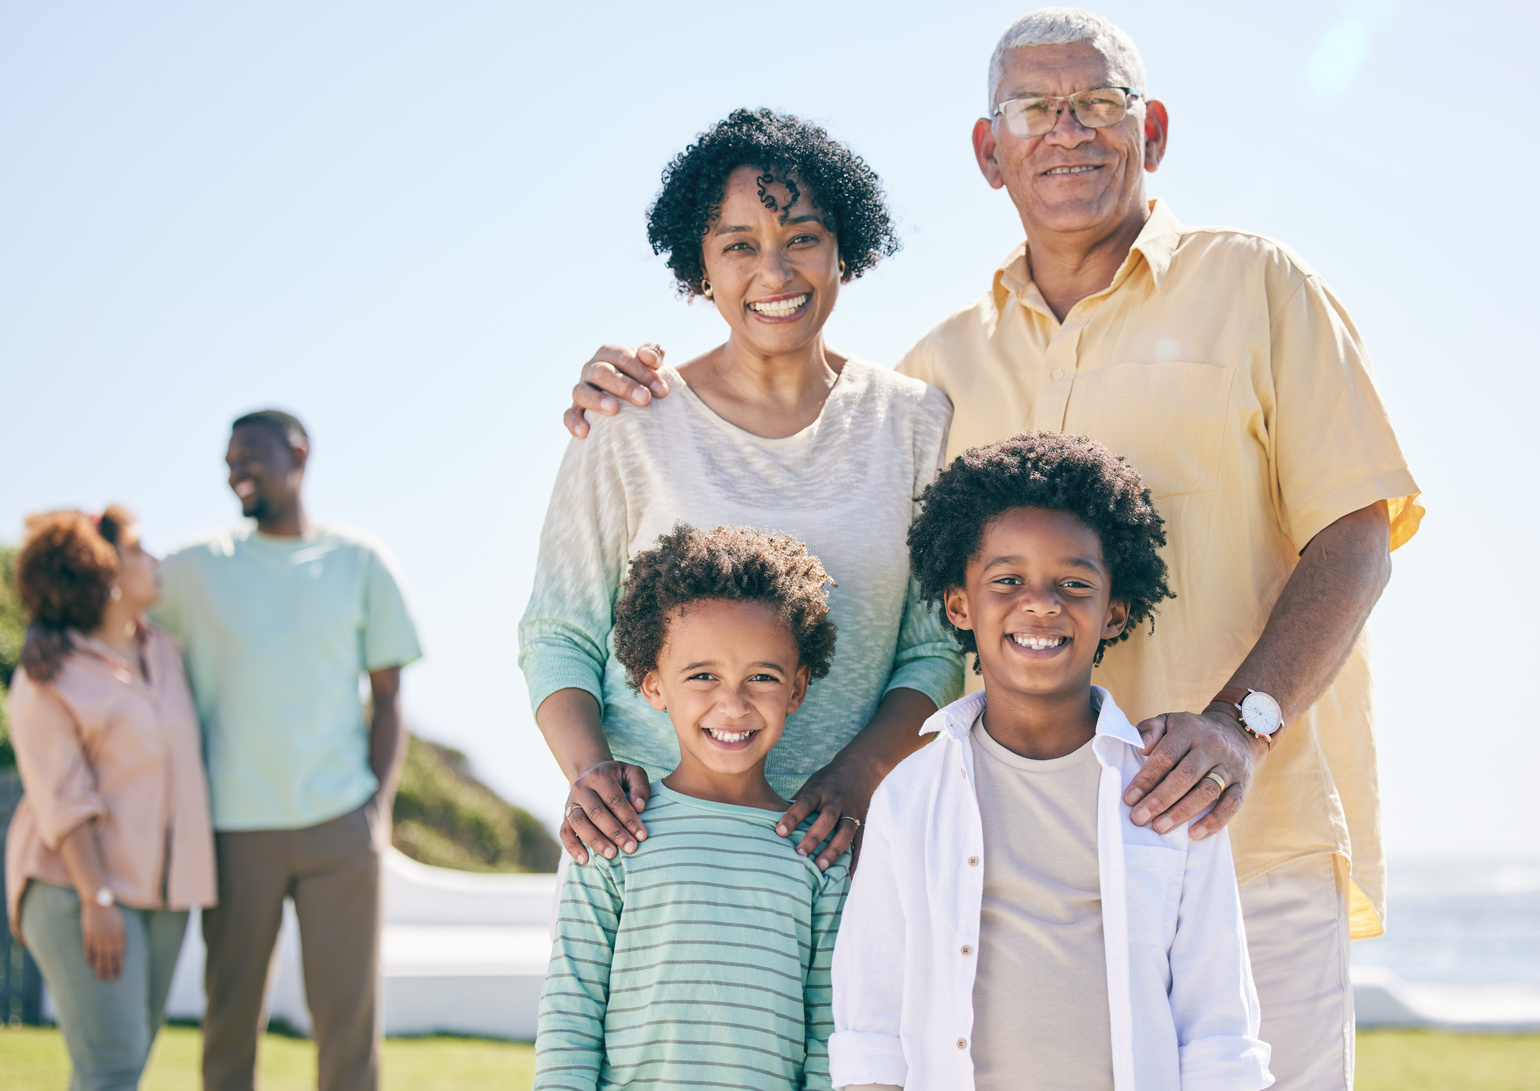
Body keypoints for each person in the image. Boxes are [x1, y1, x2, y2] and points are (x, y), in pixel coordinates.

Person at [559, 10, 1420, 1085]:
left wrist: (1239, 726)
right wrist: (643, 390)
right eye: (1033, 109)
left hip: (1246, 828)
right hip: (1016, 869)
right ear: (988, 151)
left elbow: (1356, 533)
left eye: (1098, 103)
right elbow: (790, 515)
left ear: (1149, 130)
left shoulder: (1259, 288)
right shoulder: (935, 377)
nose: (1067, 131)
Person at [519, 108, 961, 876]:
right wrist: (591, 775)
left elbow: (933, 650)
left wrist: (860, 777)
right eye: (739, 246)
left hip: (846, 854)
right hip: (652, 848)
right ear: (701, 267)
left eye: (802, 239)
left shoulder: (915, 424)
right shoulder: (629, 418)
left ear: (843, 248)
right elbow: (559, 633)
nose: (775, 273)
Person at [830, 432, 1271, 1091]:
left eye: (1074, 582)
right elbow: (872, 1024)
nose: (1041, 602)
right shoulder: (909, 796)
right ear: (960, 605)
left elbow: (1218, 1031)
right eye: (1008, 580)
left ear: (1114, 610)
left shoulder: (1170, 787)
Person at [152, 409, 422, 1091]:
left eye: (249, 453)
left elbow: (389, 697)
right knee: (230, 1020)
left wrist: (376, 810)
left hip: (340, 824)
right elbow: (110, 624)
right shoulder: (191, 568)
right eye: (227, 457)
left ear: (297, 453)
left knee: (348, 1022)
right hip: (235, 826)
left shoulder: (359, 560)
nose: (234, 468)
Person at [536, 523, 850, 1091]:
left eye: (762, 676)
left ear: (797, 689)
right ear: (654, 687)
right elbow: (570, 1014)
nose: (733, 703)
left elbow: (830, 1032)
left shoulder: (818, 850)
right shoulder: (613, 834)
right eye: (703, 676)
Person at [6, 507, 216, 1091]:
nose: (154, 561)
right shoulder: (48, 674)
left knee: (120, 1067)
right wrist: (96, 899)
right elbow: (62, 799)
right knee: (111, 1069)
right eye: (139, 550)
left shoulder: (165, 652)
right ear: (104, 572)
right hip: (79, 889)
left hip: (163, 895)